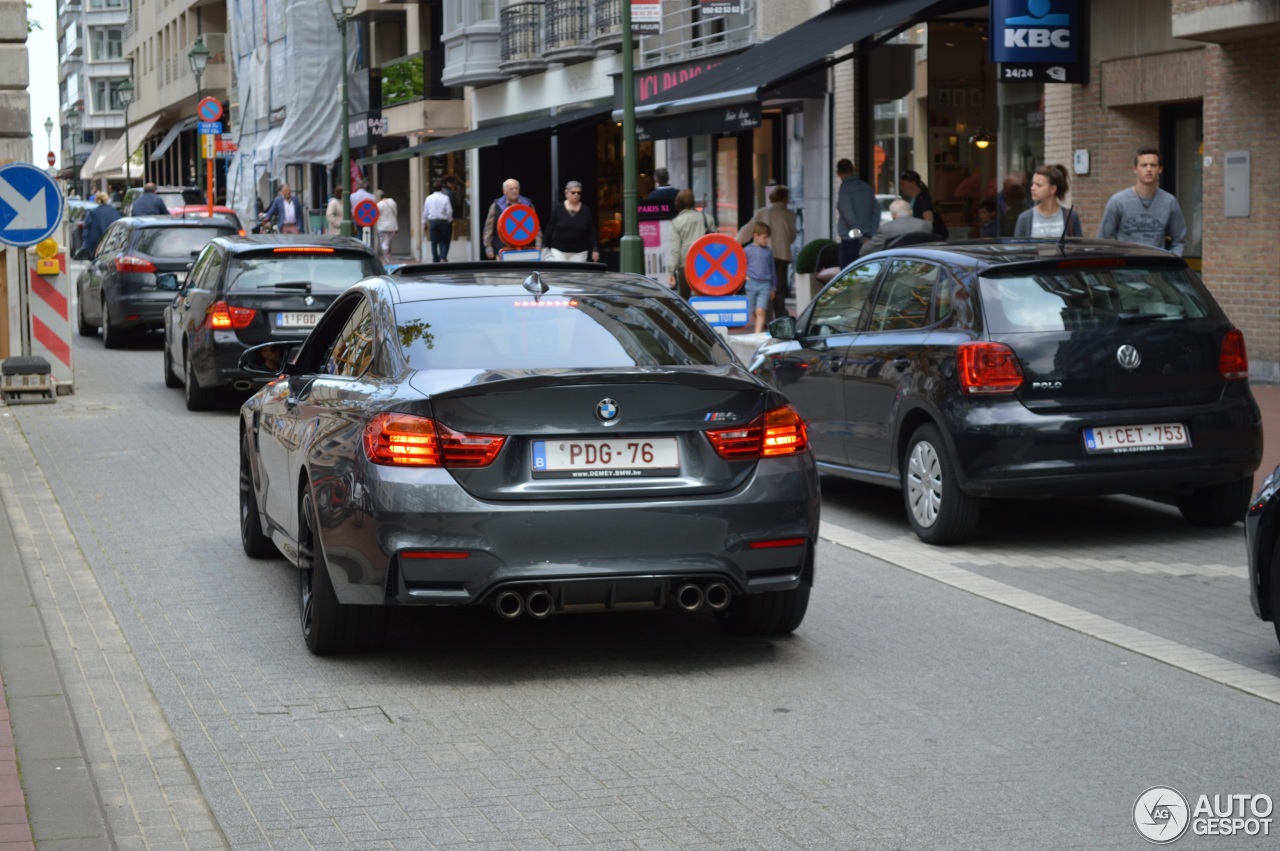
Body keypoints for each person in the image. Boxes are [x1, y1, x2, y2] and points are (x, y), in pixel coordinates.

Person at [1096, 147, 1187, 255]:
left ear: (1160, 169)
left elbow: (1180, 239)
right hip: (1125, 269)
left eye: (1153, 165)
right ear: (1135, 169)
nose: (1149, 169)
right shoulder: (1118, 202)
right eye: (1144, 165)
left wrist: (1171, 262)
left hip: (1157, 269)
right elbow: (1102, 241)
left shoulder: (1169, 202)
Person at [737, 185, 797, 319]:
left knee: (766, 284)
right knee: (779, 287)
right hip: (782, 253)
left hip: (763, 253)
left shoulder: (762, 212)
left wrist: (735, 243)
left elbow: (748, 229)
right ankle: (780, 314)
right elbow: (792, 236)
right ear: (785, 198)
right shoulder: (790, 214)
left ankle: (767, 316)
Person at [667, 189, 715, 299]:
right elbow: (715, 243)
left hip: (686, 266)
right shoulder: (707, 218)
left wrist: (671, 271)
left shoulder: (677, 222)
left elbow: (675, 250)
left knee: (685, 299)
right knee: (706, 295)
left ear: (678, 204)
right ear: (693, 202)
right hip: (706, 264)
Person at [1014, 164, 1083, 239]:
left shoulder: (1071, 217)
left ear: (1052, 189)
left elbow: (1077, 247)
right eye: (1032, 184)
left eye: (1038, 185)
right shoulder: (1025, 218)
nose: (1032, 188)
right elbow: (1019, 248)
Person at [836, 158, 880, 267]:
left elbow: (849, 217)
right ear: (853, 170)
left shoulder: (845, 189)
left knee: (849, 278)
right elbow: (876, 211)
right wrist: (871, 234)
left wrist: (860, 237)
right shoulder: (867, 187)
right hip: (868, 238)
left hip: (851, 240)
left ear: (838, 173)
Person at [481, 178, 541, 258]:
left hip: (525, 249)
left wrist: (538, 244)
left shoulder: (528, 204)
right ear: (504, 191)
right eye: (511, 189)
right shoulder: (496, 205)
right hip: (502, 249)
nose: (514, 191)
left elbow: (536, 226)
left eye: (516, 188)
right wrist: (488, 247)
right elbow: (488, 228)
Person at [543, 180, 599, 263]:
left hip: (579, 253)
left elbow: (592, 231)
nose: (576, 195)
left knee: (577, 275)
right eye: (573, 192)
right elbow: (550, 227)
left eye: (578, 193)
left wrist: (595, 249)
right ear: (567, 193)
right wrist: (544, 245)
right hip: (559, 251)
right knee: (559, 274)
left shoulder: (585, 210)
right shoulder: (559, 208)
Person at [859, 198, 934, 256]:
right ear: (910, 212)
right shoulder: (926, 225)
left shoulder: (885, 229)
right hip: (923, 265)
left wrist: (866, 243)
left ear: (893, 215)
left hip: (896, 267)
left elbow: (864, 252)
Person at [742, 222, 776, 334]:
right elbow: (741, 265)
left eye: (767, 238)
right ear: (755, 235)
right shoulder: (746, 250)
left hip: (765, 285)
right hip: (751, 284)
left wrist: (773, 287)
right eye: (764, 237)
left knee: (760, 311)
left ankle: (757, 336)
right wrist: (744, 276)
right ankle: (760, 331)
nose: (766, 240)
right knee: (753, 310)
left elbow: (772, 270)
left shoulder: (769, 252)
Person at [899, 170, 949, 241]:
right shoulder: (916, 199)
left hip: (930, 239)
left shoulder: (922, 199)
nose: (901, 187)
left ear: (912, 183)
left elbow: (929, 221)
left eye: (903, 184)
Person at [421, 180, 453, 263]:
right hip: (443, 221)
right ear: (441, 188)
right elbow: (449, 211)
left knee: (434, 242)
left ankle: (435, 259)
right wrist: (449, 220)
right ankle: (443, 257)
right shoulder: (445, 198)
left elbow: (425, 211)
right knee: (445, 240)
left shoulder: (428, 198)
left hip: (433, 221)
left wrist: (424, 222)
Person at [81, 191, 120, 256]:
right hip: (111, 244)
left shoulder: (93, 213)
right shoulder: (114, 211)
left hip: (96, 246)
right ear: (107, 199)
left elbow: (86, 230)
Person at [375, 189, 398, 264]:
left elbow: (376, 216)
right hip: (392, 226)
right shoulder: (392, 201)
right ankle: (388, 257)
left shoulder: (379, 205)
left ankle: (386, 259)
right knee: (389, 242)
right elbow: (396, 213)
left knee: (384, 243)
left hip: (383, 227)